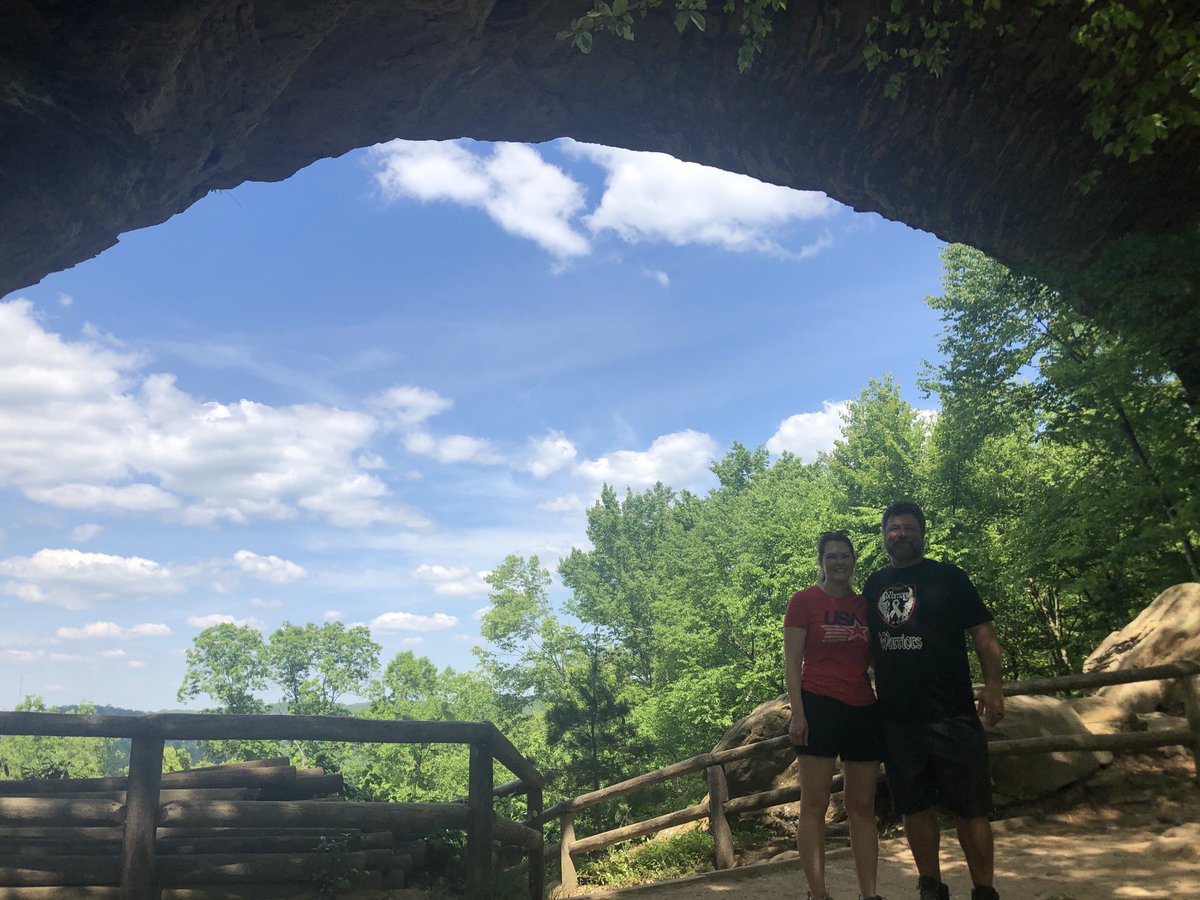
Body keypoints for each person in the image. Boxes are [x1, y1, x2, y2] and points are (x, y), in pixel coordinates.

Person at [861, 501, 1005, 900]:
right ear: (884, 536)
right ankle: (931, 887)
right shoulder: (874, 585)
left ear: (922, 533)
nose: (901, 534)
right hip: (898, 718)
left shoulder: (949, 577)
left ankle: (984, 890)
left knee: (971, 809)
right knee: (914, 807)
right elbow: (865, 645)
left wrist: (994, 685)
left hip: (952, 714)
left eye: (909, 527)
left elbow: (983, 634)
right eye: (893, 528)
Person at [785, 530, 886, 900]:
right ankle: (819, 894)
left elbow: (877, 660)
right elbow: (792, 662)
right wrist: (798, 714)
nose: (839, 561)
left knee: (862, 806)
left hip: (862, 708)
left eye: (845, 555)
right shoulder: (803, 601)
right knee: (814, 804)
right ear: (822, 562)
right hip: (818, 705)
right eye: (832, 556)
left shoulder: (865, 606)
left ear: (853, 560)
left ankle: (869, 894)